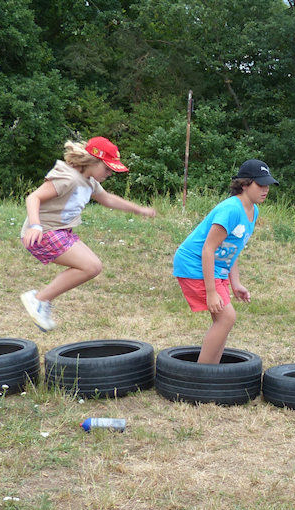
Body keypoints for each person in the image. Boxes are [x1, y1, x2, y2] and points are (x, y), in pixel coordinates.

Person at [19, 136, 156, 331]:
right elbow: (33, 197)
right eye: (107, 168)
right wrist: (35, 225)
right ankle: (39, 300)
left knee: (92, 266)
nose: (110, 173)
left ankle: (41, 299)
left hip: (61, 232)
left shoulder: (89, 181)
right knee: (91, 266)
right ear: (93, 161)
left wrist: (138, 209)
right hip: (43, 233)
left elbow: (108, 199)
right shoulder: (68, 177)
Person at [173, 159, 278, 363]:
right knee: (226, 317)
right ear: (244, 184)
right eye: (260, 184)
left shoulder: (253, 210)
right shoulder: (231, 210)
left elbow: (232, 249)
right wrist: (211, 292)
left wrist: (235, 283)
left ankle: (213, 373)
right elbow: (208, 249)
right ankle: (201, 375)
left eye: (268, 185)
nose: (265, 189)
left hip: (217, 267)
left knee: (223, 321)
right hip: (194, 264)